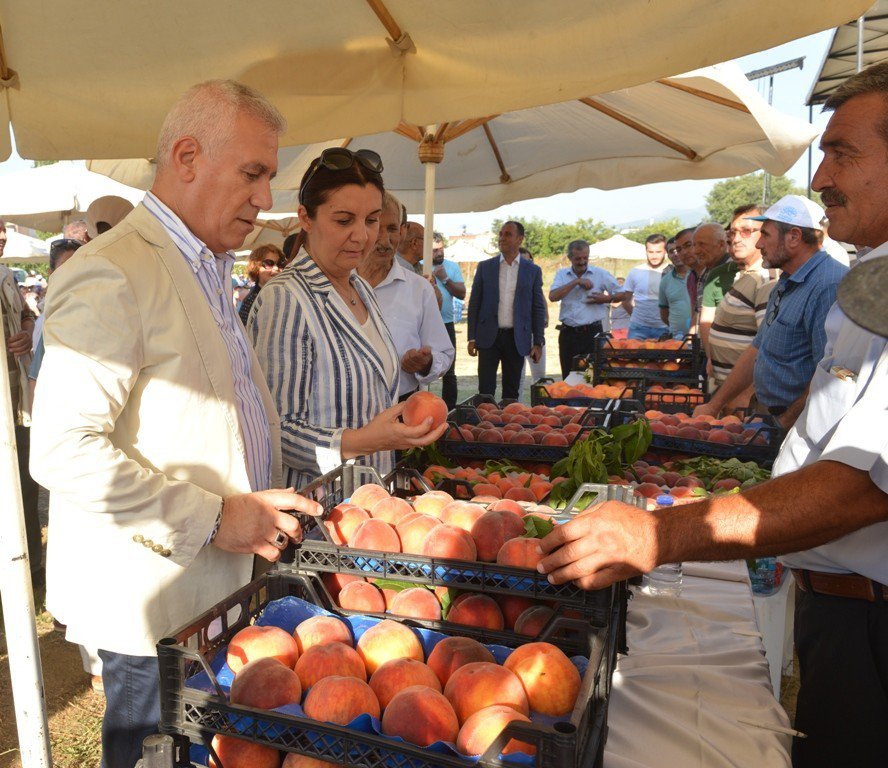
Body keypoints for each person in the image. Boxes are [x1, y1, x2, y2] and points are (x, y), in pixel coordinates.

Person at [537, 63, 888, 762]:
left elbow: (862, 483)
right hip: (840, 605)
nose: (820, 179)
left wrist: (659, 534)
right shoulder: (876, 276)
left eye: (842, 152)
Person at [29, 80, 324, 768]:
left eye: (268, 178)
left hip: (213, 595)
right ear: (186, 156)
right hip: (153, 615)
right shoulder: (113, 272)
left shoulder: (206, 266)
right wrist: (214, 518)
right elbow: (64, 450)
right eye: (252, 173)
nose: (265, 198)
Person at [249, 148, 447, 489]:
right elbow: (276, 432)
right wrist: (365, 440)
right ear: (305, 219)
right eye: (344, 220)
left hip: (370, 501)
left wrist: (403, 419)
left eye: (371, 220)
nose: (362, 236)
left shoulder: (360, 288)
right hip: (319, 517)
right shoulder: (287, 298)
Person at [695, 196, 847, 426]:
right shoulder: (785, 281)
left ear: (794, 237)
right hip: (769, 415)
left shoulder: (827, 286)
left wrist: (787, 422)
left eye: (765, 235)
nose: (758, 244)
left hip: (797, 423)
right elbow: (757, 348)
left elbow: (832, 373)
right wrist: (715, 404)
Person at [357, 192, 454, 402]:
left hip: (401, 408)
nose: (384, 240)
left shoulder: (419, 289)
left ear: (402, 232)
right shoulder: (335, 284)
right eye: (374, 225)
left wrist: (426, 364)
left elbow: (444, 354)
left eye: (392, 228)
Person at [467, 220, 545, 401]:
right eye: (500, 234)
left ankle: (508, 426)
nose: (502, 238)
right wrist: (472, 337)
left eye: (508, 234)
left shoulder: (532, 270)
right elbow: (474, 304)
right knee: (485, 391)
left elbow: (537, 307)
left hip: (517, 338)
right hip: (488, 338)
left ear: (520, 239)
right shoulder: (485, 267)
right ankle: (485, 428)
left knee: (511, 392)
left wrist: (538, 342)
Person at [0, 222, 39, 586]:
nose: (1, 236)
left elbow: (28, 314)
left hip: (18, 407)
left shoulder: (7, 274)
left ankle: (32, 569)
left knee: (25, 486)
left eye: (2, 229)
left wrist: (27, 331)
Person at [707, 205, 779, 399]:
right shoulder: (746, 275)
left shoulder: (766, 279)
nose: (736, 239)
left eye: (746, 231)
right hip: (729, 391)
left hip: (743, 397)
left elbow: (767, 346)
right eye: (733, 232)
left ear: (765, 234)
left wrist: (745, 394)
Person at [549, 239, 628, 378]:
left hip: (592, 333)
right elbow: (553, 296)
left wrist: (606, 299)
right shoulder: (562, 274)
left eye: (585, 258)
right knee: (569, 376)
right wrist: (576, 282)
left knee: (593, 376)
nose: (582, 262)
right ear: (569, 258)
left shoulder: (600, 274)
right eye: (578, 258)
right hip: (568, 334)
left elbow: (623, 294)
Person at [430, 233, 465, 409]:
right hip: (426, 325)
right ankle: (423, 407)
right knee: (424, 367)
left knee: (450, 371)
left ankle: (450, 409)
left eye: (441, 249)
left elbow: (462, 293)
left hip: (447, 324)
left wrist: (445, 278)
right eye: (435, 250)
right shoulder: (419, 267)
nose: (439, 253)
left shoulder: (451, 267)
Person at [621, 234, 670, 339]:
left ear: (665, 251)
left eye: (658, 252)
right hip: (638, 327)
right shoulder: (635, 271)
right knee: (633, 355)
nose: (654, 256)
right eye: (651, 252)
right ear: (646, 251)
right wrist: (637, 318)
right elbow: (625, 301)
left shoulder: (672, 272)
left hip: (665, 328)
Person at [693, 222, 731, 354]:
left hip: (722, 352)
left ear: (721, 244)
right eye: (694, 245)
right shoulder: (706, 270)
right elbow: (699, 311)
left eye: (702, 244)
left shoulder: (732, 272)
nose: (695, 250)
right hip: (704, 351)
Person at [237, 243, 284, 324]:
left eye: (279, 264)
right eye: (269, 263)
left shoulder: (285, 294)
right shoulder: (251, 300)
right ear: (256, 267)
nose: (276, 268)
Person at [657, 234, 692, 338]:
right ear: (668, 256)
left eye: (678, 250)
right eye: (671, 251)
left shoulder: (700, 275)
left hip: (701, 337)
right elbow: (664, 314)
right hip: (677, 339)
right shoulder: (665, 281)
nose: (676, 254)